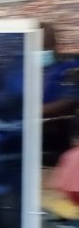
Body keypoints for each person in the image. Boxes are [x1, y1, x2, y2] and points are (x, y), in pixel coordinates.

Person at [42, 24, 79, 165]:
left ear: (54, 45)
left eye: (44, 47)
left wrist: (30, 111)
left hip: (58, 137)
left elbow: (69, 100)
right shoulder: (20, 69)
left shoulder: (70, 68)